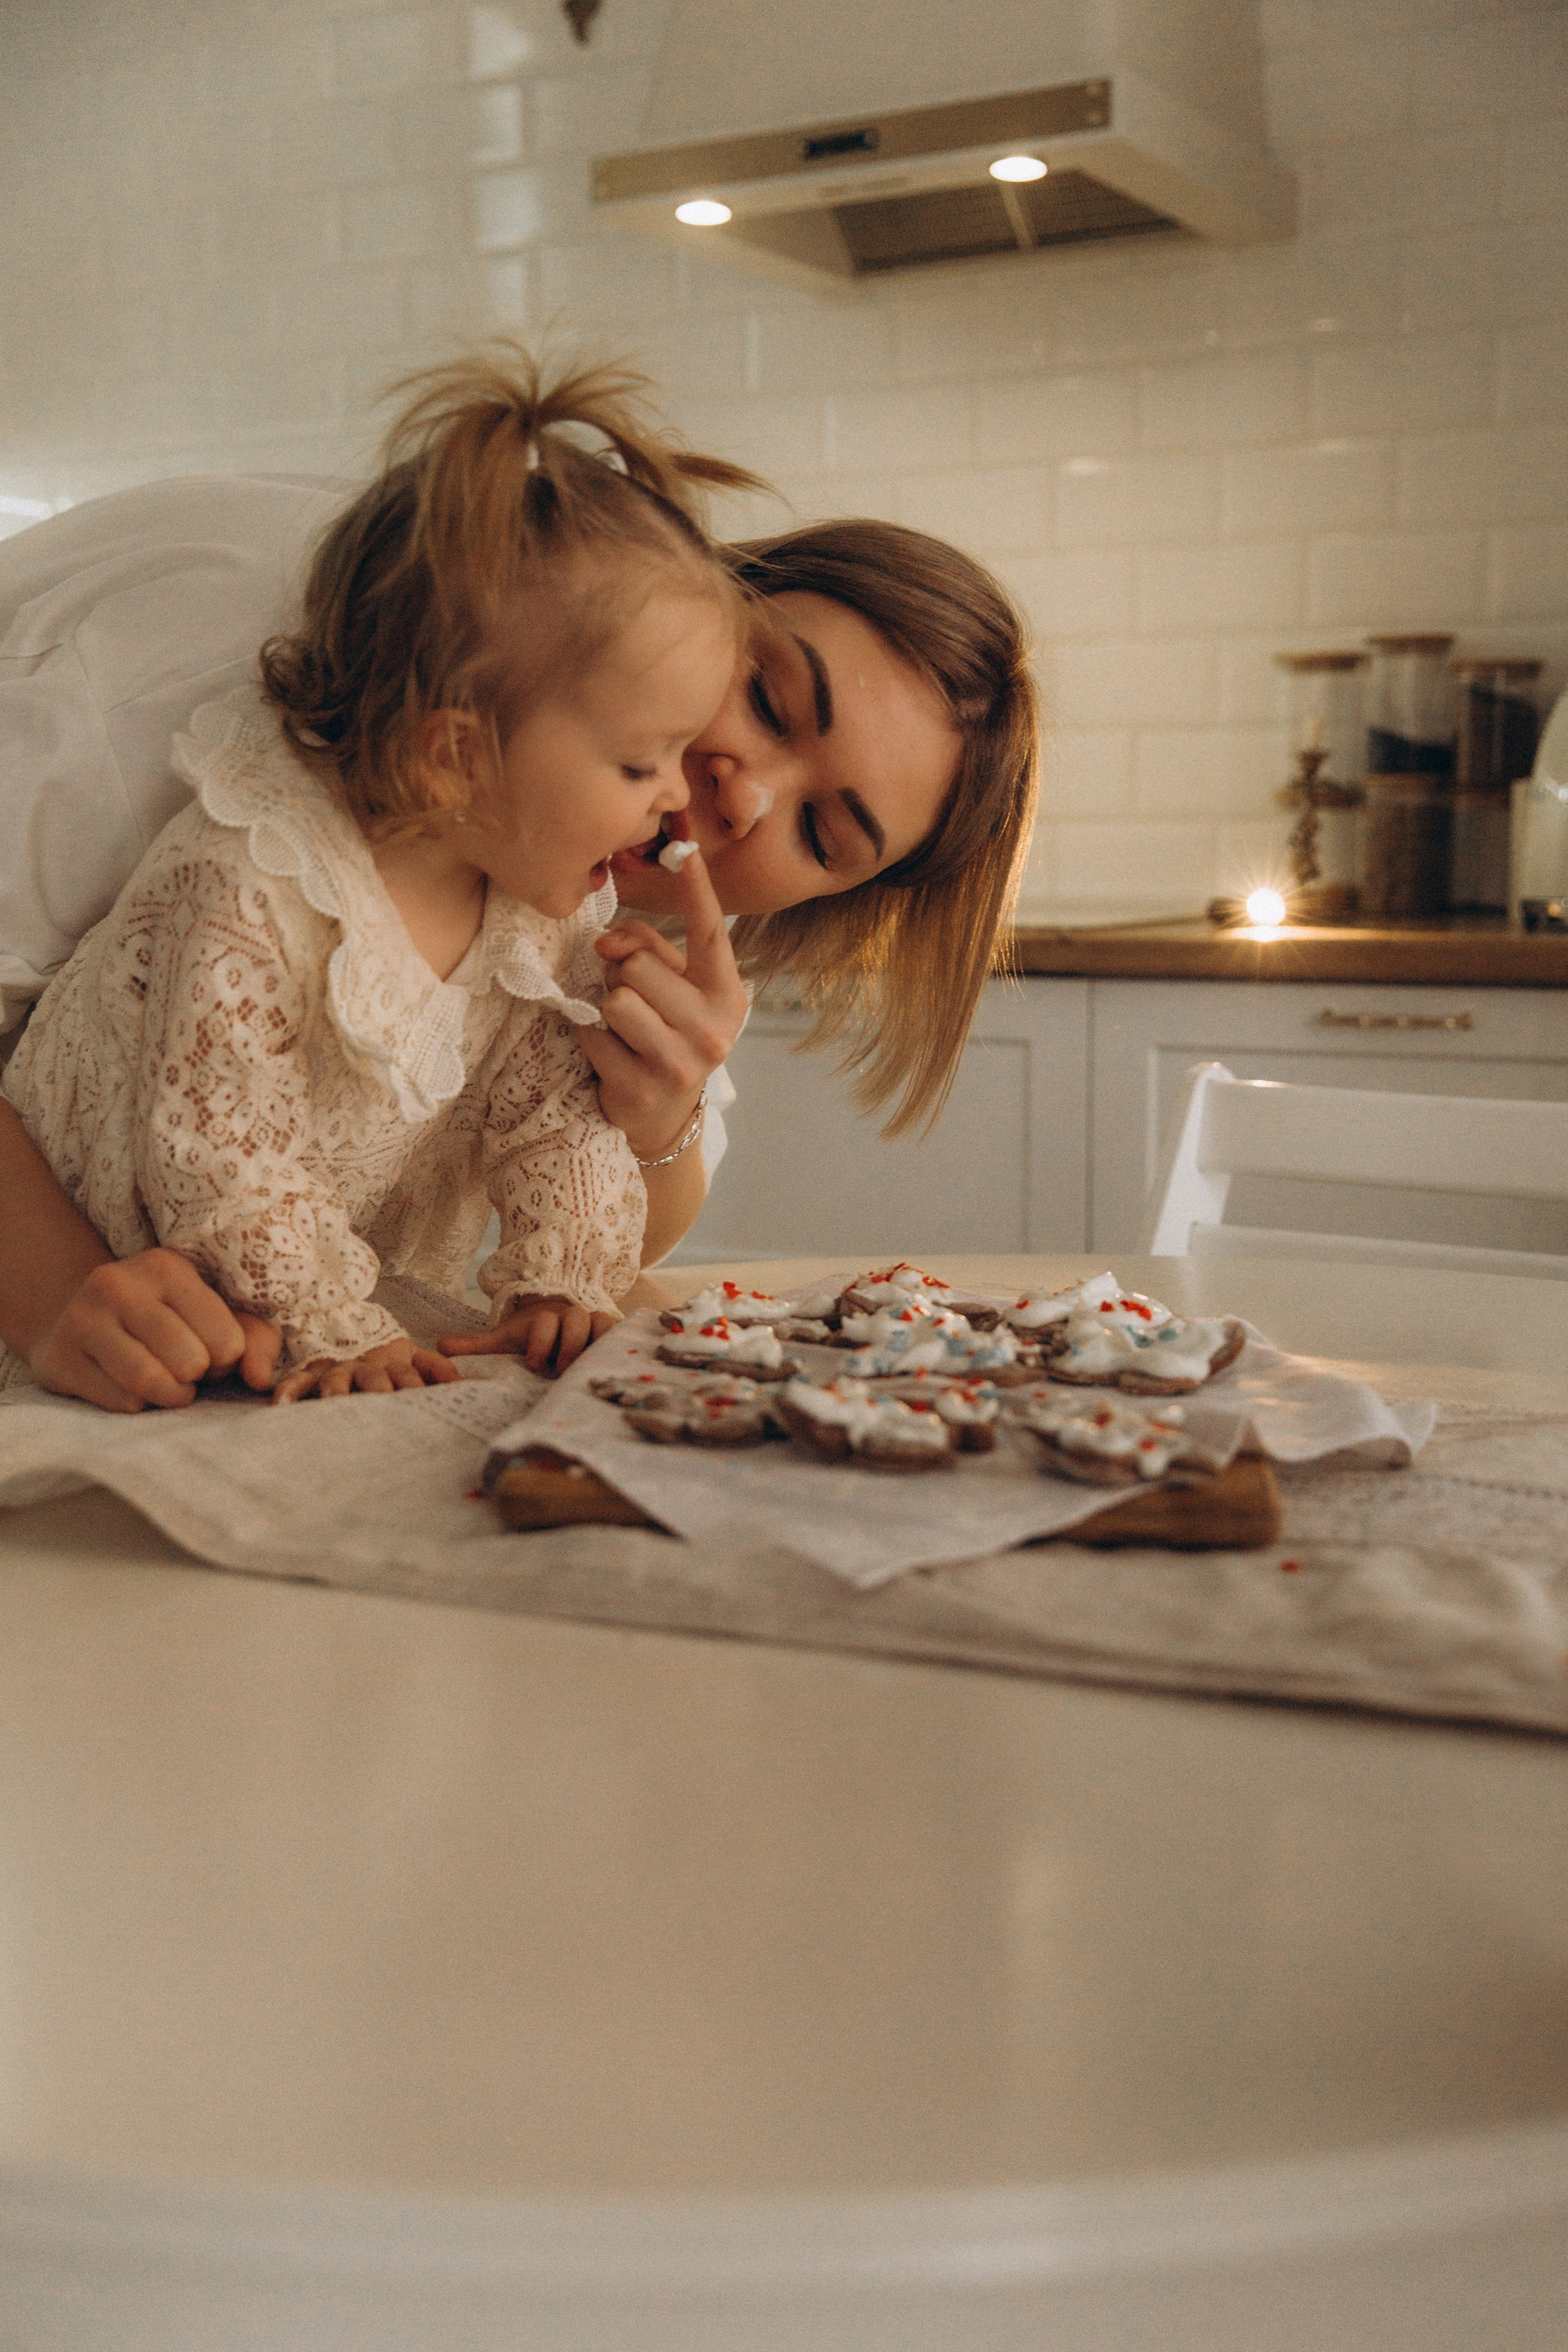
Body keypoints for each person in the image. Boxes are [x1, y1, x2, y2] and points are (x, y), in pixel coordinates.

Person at [0, 394, 1038, 1412]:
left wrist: (640, 1136)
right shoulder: (239, 708)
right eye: (766, 696)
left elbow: (572, 1147)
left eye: (819, 835)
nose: (739, 795)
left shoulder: (558, 878)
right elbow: (214, 1144)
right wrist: (51, 1295)